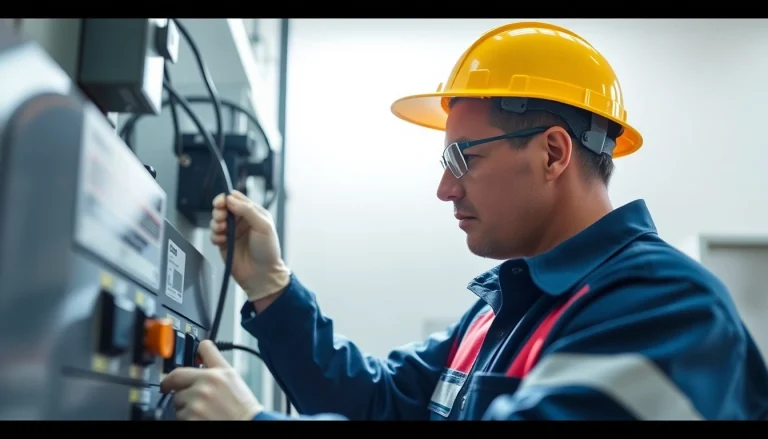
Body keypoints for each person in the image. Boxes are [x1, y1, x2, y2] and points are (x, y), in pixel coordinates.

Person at [160, 21, 768, 421]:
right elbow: (380, 402)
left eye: (463, 159)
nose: (444, 188)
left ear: (554, 153)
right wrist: (274, 290)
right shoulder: (507, 307)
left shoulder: (664, 306)